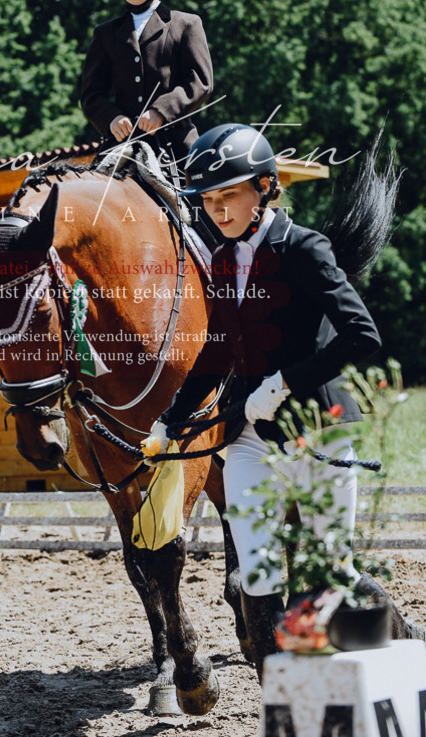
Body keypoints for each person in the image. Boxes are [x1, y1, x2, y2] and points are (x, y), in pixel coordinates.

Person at [144, 123, 424, 678]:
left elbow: (361, 336)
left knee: (331, 571)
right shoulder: (221, 264)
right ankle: (281, 702)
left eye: (229, 196)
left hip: (318, 431)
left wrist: (284, 383)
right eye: (209, 200)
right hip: (248, 441)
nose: (218, 210)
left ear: (266, 187)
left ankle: (396, 656)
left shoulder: (305, 249)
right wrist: (169, 420)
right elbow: (217, 354)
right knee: (257, 570)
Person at [80, 0, 213, 166]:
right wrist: (111, 119)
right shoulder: (104, 34)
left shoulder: (186, 24)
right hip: (122, 146)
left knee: (205, 196)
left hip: (177, 146)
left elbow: (200, 82)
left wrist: (161, 111)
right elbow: (91, 95)